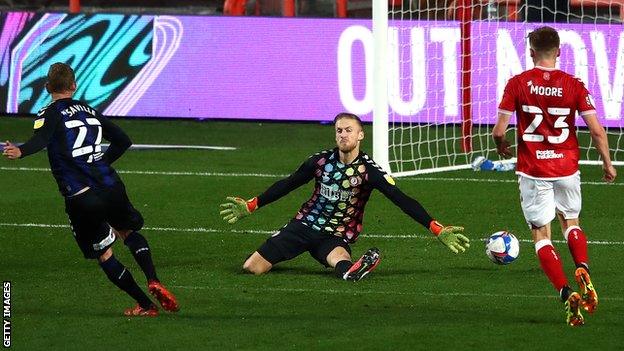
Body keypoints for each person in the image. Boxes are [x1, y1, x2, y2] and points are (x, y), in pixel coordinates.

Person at [2, 63, 179, 317]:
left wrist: (21, 151)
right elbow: (123, 141)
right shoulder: (89, 110)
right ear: (73, 86)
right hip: (109, 185)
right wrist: (102, 163)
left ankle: (145, 304)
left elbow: (41, 139)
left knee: (104, 253)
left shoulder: (48, 113)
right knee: (128, 231)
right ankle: (153, 278)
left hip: (81, 195)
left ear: (47, 87)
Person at [219, 112, 470, 281]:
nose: (342, 135)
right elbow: (288, 184)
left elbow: (401, 199)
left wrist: (436, 228)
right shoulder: (319, 161)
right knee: (252, 268)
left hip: (335, 234)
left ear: (360, 135)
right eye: (339, 131)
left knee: (341, 261)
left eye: (348, 130)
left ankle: (353, 271)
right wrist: (252, 204)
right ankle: (290, 253)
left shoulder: (369, 171)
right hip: (303, 225)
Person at [493, 26, 617, 326]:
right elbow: (597, 130)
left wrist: (502, 146)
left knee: (541, 235)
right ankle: (583, 267)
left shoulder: (518, 83)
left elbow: (499, 130)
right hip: (567, 168)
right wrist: (607, 163)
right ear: (559, 51)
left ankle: (565, 293)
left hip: (534, 170)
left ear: (531, 52)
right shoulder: (574, 84)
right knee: (571, 222)